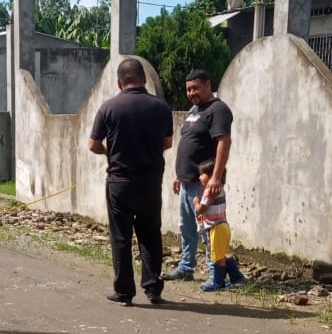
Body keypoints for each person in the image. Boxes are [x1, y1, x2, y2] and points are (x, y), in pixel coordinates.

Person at [89, 57, 174, 305]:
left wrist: (110, 152)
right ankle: (153, 288)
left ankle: (124, 292)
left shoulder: (109, 108)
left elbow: (93, 144)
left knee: (121, 237)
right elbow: (167, 143)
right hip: (150, 182)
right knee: (150, 234)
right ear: (144, 79)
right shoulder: (161, 107)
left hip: (120, 182)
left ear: (119, 82)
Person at [162, 68, 232, 281]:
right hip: (186, 181)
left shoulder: (218, 110)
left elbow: (223, 142)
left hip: (204, 183)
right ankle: (186, 267)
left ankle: (216, 273)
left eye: (196, 88)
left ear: (208, 85)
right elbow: (189, 143)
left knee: (208, 229)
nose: (191, 93)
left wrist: (215, 177)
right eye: (188, 89)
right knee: (187, 228)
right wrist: (179, 176)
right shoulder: (195, 110)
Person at [193, 159, 247, 291]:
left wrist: (196, 203)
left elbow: (201, 209)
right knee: (220, 255)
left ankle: (217, 282)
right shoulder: (220, 189)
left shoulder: (209, 191)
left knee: (217, 258)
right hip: (222, 226)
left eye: (202, 174)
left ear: (211, 176)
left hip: (216, 228)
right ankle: (236, 277)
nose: (199, 177)